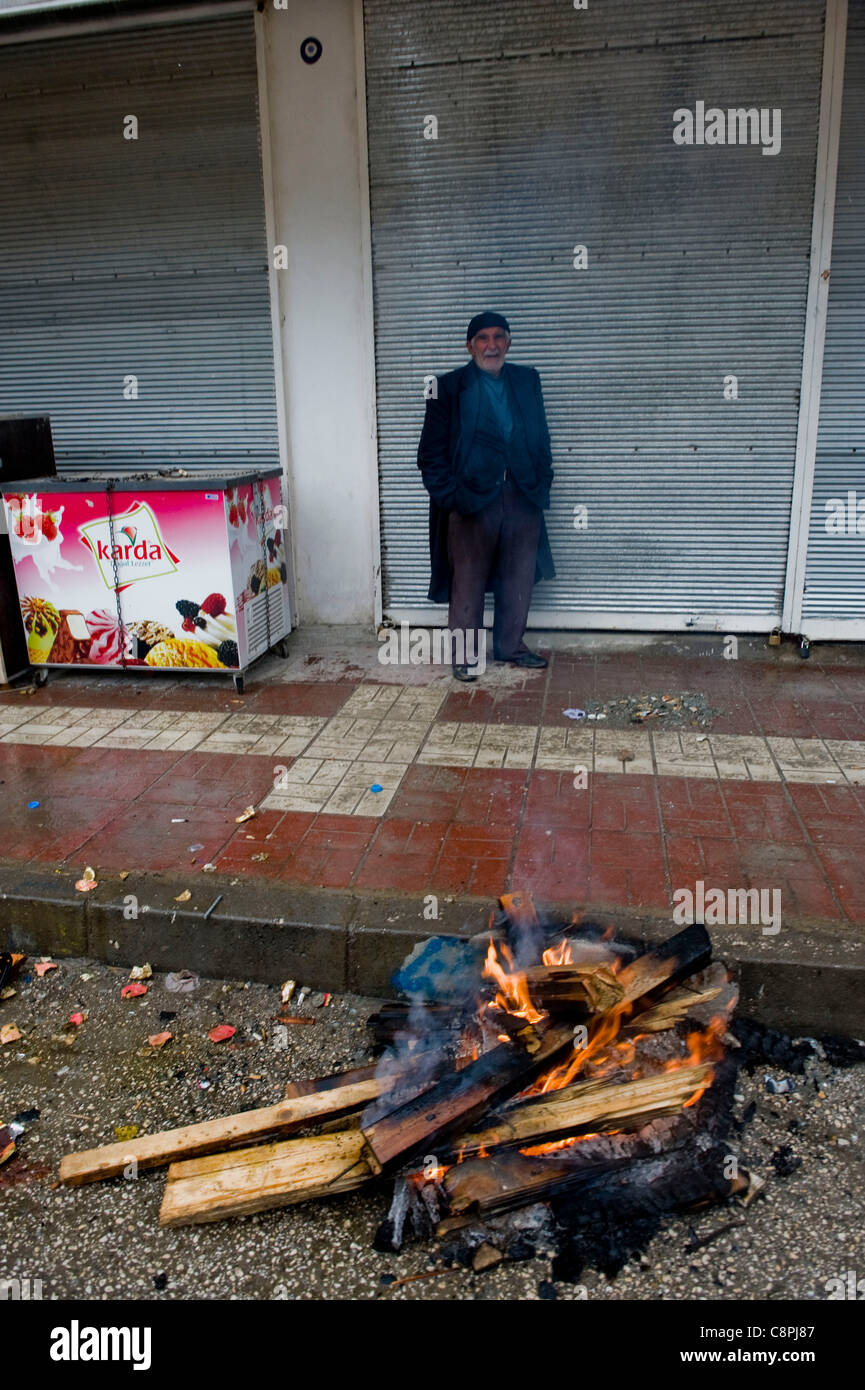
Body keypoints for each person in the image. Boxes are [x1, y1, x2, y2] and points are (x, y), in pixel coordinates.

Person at [417, 311, 555, 680]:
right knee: (468, 579)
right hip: (471, 500)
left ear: (509, 342)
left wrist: (542, 481)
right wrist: (453, 497)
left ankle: (511, 646)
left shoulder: (527, 381)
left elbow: (541, 437)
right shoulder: (447, 388)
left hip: (522, 495)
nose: (491, 345)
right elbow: (429, 456)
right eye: (482, 338)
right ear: (469, 345)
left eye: (498, 337)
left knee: (519, 575)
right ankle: (464, 656)